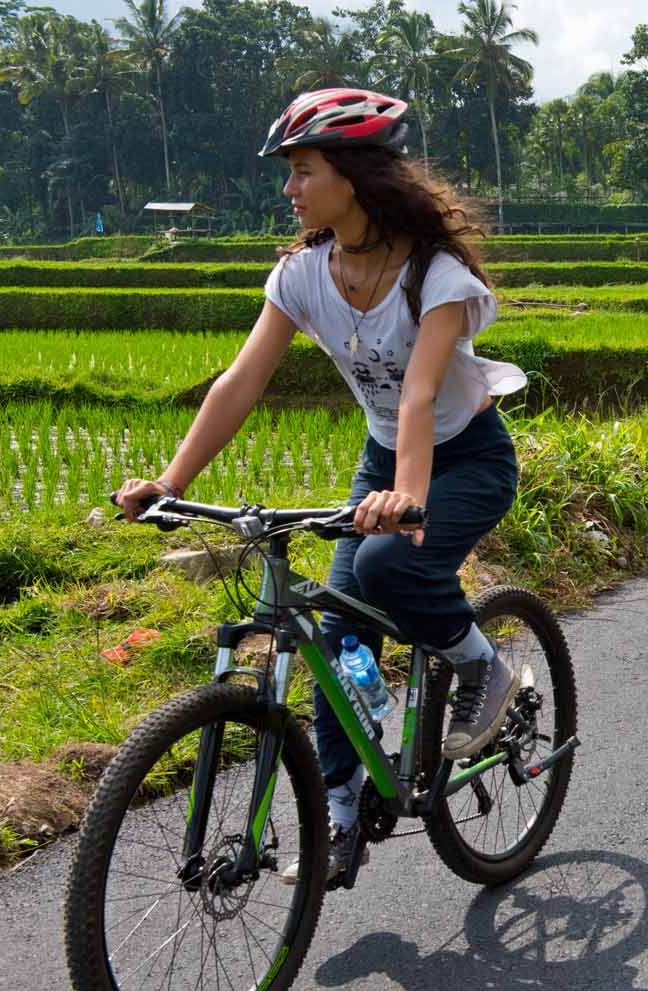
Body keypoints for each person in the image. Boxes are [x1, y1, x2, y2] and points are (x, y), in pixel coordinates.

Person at [115, 87, 529, 883]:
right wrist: (167, 482)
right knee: (339, 640)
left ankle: (481, 665)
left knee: (383, 567)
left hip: (464, 458)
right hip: (383, 464)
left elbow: (417, 391)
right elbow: (240, 383)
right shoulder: (304, 273)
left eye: (303, 171)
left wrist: (406, 502)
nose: (290, 189)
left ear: (353, 175)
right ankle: (343, 809)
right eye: (291, 173)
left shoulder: (432, 275)